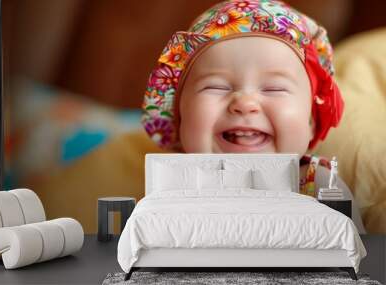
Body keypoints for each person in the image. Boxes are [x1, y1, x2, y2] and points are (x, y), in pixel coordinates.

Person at [141, 0, 365, 232]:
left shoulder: (318, 185)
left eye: (274, 89)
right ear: (179, 118)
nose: (245, 103)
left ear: (311, 122)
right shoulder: (173, 185)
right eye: (215, 87)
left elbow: (360, 260)